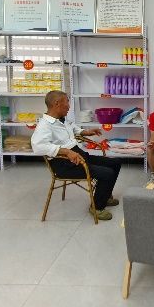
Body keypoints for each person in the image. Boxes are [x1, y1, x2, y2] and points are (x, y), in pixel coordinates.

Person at [31, 90, 121, 221]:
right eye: (67, 102)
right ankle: (96, 207)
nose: (69, 106)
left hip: (78, 156)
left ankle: (104, 196)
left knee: (115, 163)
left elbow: (73, 128)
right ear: (57, 103)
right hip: (64, 164)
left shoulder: (61, 119)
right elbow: (38, 146)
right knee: (107, 173)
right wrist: (66, 151)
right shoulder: (45, 125)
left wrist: (86, 132)